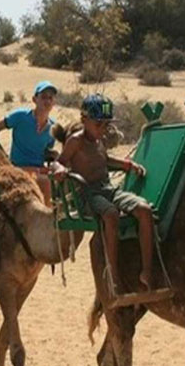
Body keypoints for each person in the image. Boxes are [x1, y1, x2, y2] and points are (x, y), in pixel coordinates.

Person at [54, 93, 170, 297]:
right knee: (110, 214)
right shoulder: (76, 141)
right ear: (84, 120)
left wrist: (127, 164)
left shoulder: (100, 141)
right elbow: (59, 161)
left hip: (107, 189)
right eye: (98, 123)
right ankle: (113, 274)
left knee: (144, 210)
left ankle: (147, 271)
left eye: (106, 124)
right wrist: (59, 171)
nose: (103, 128)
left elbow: (105, 160)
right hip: (87, 193)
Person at [0, 80, 58, 203]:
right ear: (35, 99)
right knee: (45, 182)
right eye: (43, 97)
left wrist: (54, 155)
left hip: (38, 169)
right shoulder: (21, 116)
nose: (47, 101)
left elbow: (46, 151)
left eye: (50, 98)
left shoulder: (52, 127)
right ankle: (49, 217)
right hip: (17, 168)